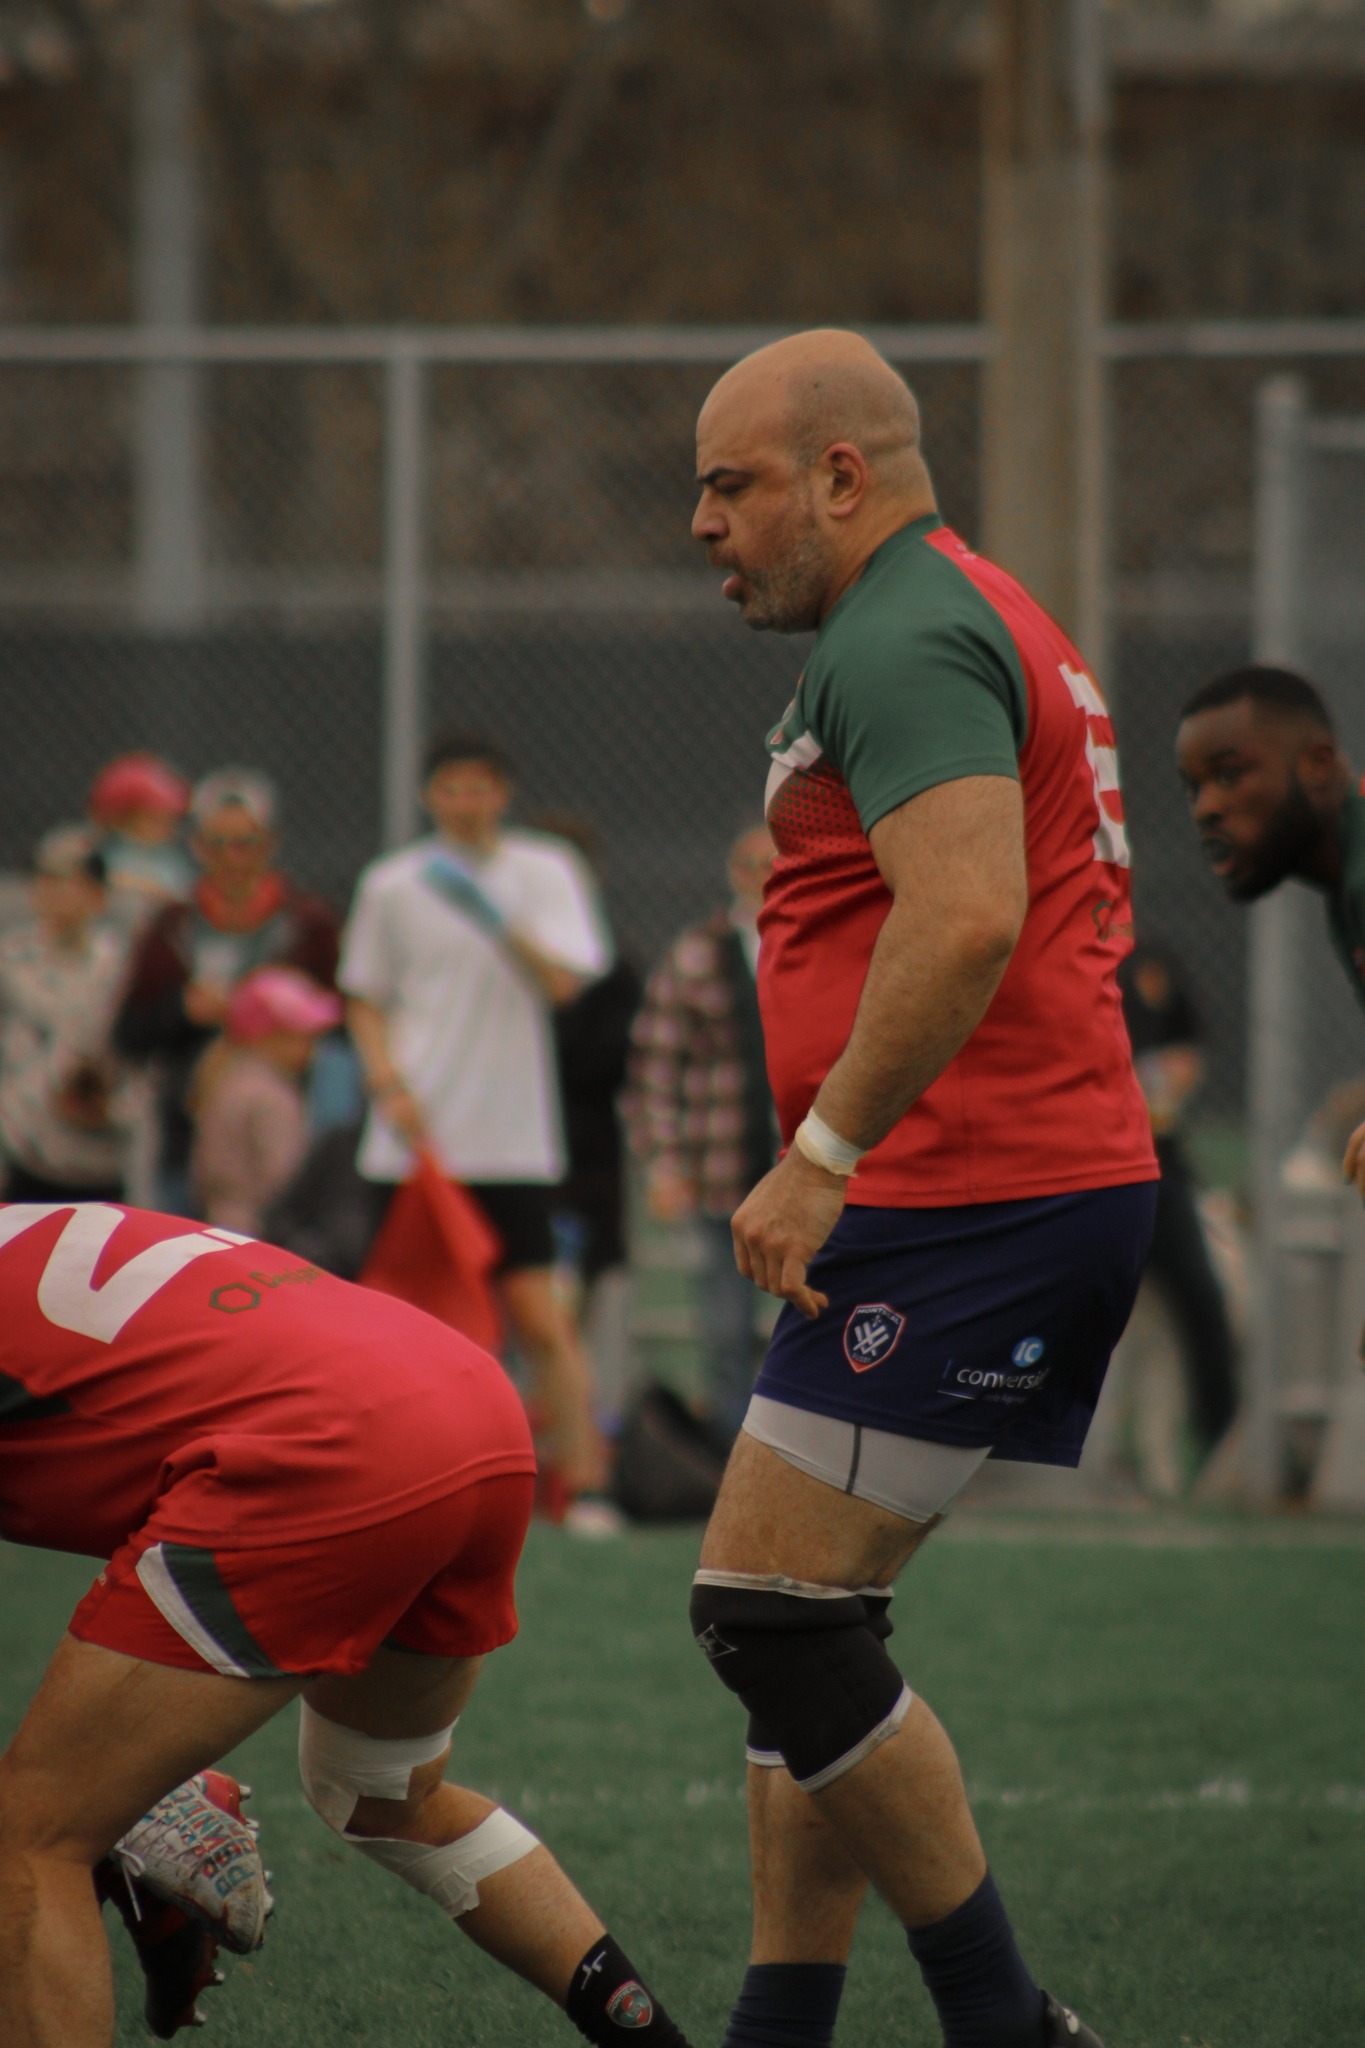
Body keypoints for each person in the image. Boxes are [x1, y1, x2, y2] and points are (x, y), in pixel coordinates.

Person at [684, 330, 1158, 2048]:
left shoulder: (903, 628)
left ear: (840, 476)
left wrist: (819, 1155)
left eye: (730, 483)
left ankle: (1005, 2020)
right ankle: (781, 2031)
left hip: (985, 1192)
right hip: (974, 1187)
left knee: (770, 1612)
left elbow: (967, 914)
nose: (702, 522)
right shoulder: (948, 612)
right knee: (801, 1635)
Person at [0, 1198, 697, 2048]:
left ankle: (137, 1811)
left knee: (32, 1841)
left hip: (328, 1445)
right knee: (380, 1794)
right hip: (467, 1396)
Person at [340, 735, 612, 1499]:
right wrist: (386, 1084)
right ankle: (389, 1479)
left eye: (480, 787)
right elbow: (363, 997)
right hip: (412, 1146)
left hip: (513, 1142)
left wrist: (495, 917)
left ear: (504, 793)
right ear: (430, 796)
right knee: (398, 1331)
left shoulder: (546, 871)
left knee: (540, 1319)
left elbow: (564, 983)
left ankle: (585, 1483)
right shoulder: (390, 884)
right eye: (451, 788)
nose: (466, 802)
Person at [1175, 664, 1365, 1198]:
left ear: (1318, 764)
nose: (1207, 807)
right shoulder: (1345, 891)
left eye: (1230, 775)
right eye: (1194, 788)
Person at [114, 769, 340, 1215]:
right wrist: (182, 1009)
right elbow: (127, 1033)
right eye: (217, 844)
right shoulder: (172, 927)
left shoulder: (308, 925)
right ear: (197, 845)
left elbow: (340, 1024)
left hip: (285, 1121)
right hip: (188, 1129)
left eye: (246, 843)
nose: (232, 858)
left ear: (270, 843)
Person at [625, 824, 779, 1444]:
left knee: (825, 1323)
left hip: (818, 1176)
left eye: (776, 861)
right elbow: (654, 1070)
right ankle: (729, 1456)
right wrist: (664, 1165)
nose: (763, 874)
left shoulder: (830, 945)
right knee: (723, 1328)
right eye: (751, 863)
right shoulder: (695, 954)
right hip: (725, 1174)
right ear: (732, 872)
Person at [1118, 939, 1239, 1464]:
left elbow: (1188, 1050)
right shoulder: (1056, 956)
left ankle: (1224, 1442)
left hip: (1159, 1173)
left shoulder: (1155, 962)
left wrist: (1160, 1085)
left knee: (1204, 1303)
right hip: (1087, 1173)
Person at [0, 825, 128, 1204]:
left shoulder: (120, 966)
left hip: (99, 1157)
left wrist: (109, 1104)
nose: (49, 891)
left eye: (64, 880)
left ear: (96, 894)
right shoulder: (12, 960)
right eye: (44, 878)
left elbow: (139, 1058)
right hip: (22, 1150)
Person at [190, 966, 344, 1236]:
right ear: (269, 1036)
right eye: (302, 1037)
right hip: (258, 1234)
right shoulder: (271, 1096)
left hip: (220, 1223)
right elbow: (286, 1178)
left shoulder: (226, 1077)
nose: (312, 1049)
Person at [87, 752, 194, 931]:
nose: (169, 826)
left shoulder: (171, 859)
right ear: (124, 818)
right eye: (154, 818)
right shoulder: (104, 856)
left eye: (170, 818)